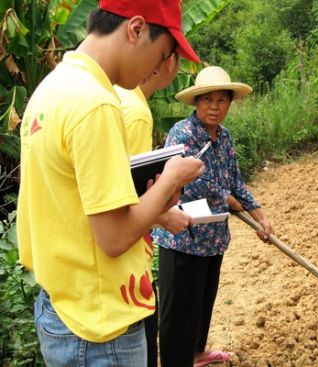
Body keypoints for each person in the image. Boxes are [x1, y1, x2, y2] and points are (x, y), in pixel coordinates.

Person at [16, 0, 204, 365]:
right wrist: (170, 180)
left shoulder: (54, 86)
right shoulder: (96, 104)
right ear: (135, 30)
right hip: (99, 329)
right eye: (162, 53)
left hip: (64, 307)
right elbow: (115, 238)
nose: (158, 68)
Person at [151, 66, 273, 367]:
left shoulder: (225, 137)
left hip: (213, 238)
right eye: (208, 100)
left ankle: (195, 353)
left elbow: (235, 180)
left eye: (221, 101)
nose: (214, 107)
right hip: (182, 237)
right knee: (178, 311)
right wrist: (229, 200)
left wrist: (260, 215)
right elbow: (193, 182)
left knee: (202, 303)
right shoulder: (183, 133)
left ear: (229, 104)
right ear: (196, 102)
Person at [116, 52, 193, 367]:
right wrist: (165, 210)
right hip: (124, 286)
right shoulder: (134, 111)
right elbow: (125, 208)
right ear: (169, 62)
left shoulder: (113, 97)